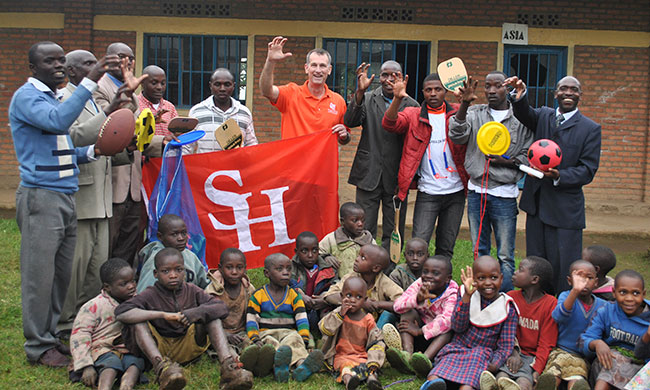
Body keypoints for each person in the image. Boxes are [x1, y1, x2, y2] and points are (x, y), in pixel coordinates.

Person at [9, 41, 119, 366]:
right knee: (39, 276)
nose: (58, 65)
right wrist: (90, 81)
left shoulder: (54, 98)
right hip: (41, 197)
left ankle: (51, 335)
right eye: (50, 61)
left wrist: (91, 152)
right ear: (33, 68)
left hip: (66, 194)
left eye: (60, 60)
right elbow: (58, 123)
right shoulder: (28, 98)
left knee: (60, 275)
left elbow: (64, 145)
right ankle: (37, 347)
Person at [58, 49, 134, 331]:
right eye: (88, 64)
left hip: (101, 198)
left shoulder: (90, 99)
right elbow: (74, 138)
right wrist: (107, 112)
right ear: (73, 71)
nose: (96, 67)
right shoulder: (65, 99)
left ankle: (88, 319)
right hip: (83, 194)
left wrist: (124, 149)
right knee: (75, 268)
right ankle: (65, 323)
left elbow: (109, 138)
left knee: (96, 266)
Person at [504, 75, 601, 293]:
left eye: (574, 90)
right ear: (555, 93)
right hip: (537, 205)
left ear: (580, 96)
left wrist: (559, 175)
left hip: (565, 211)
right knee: (536, 265)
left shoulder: (590, 128)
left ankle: (561, 309)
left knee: (562, 266)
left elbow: (587, 170)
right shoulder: (544, 116)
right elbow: (523, 113)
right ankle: (535, 308)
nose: (568, 93)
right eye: (563, 89)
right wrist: (519, 96)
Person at [115, 248, 253, 390]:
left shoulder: (192, 290)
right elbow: (121, 312)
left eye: (178, 270)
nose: (173, 275)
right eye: (166, 271)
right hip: (161, 348)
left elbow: (221, 308)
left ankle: (228, 368)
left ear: (185, 272)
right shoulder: (150, 294)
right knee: (138, 322)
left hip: (190, 345)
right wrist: (161, 314)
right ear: (156, 274)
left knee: (212, 317)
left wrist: (194, 313)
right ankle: (162, 369)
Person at [449, 72, 533, 292]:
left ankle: (504, 298)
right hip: (477, 192)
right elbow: (456, 135)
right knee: (479, 250)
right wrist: (464, 106)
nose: (492, 91)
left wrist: (506, 162)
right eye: (488, 86)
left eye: (498, 86)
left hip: (504, 194)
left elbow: (527, 155)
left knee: (505, 254)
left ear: (507, 89)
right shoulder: (474, 113)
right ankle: (480, 295)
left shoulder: (520, 119)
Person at [382, 72, 468, 260]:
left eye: (438, 89)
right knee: (418, 246)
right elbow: (389, 124)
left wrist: (466, 104)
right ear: (423, 92)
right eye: (428, 90)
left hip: (455, 193)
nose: (433, 94)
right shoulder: (413, 115)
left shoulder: (456, 112)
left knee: (446, 247)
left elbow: (470, 130)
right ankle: (417, 286)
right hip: (428, 192)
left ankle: (444, 287)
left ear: (445, 91)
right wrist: (397, 98)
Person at [343, 61, 419, 254]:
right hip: (369, 173)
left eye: (395, 75)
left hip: (396, 177)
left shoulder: (412, 105)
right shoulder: (367, 98)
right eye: (385, 75)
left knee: (393, 229)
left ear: (402, 78)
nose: (389, 79)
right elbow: (350, 121)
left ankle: (388, 271)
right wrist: (359, 93)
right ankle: (363, 267)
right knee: (363, 227)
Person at [421, 256, 518, 390]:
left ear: (501, 278)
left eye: (493, 278)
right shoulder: (467, 295)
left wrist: (494, 364)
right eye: (481, 278)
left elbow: (505, 345)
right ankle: (434, 386)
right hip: (457, 348)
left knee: (468, 385)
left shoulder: (507, 308)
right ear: (474, 279)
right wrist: (467, 296)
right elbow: (457, 327)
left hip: (481, 354)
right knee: (435, 376)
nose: (488, 283)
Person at [245, 253, 324, 382]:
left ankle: (302, 366)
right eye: (279, 269)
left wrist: (303, 337)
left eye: (288, 269)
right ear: (267, 273)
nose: (286, 273)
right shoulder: (258, 295)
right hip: (266, 333)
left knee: (294, 342)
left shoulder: (294, 295)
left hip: (288, 332)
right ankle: (280, 368)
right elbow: (251, 319)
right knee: (271, 345)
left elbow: (301, 318)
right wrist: (254, 337)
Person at [483, 256, 557, 390]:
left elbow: (546, 342)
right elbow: (501, 332)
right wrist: (513, 353)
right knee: (501, 378)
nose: (515, 272)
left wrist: (537, 370)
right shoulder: (510, 297)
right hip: (508, 352)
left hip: (531, 358)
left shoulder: (550, 304)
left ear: (535, 279)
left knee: (524, 383)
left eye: (520, 270)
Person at [259, 36, 350, 143]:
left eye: (322, 66)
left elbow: (344, 138)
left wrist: (344, 135)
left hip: (324, 160)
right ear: (306, 68)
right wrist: (270, 61)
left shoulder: (338, 101)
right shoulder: (291, 93)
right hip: (294, 160)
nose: (318, 70)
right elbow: (266, 91)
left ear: (329, 70)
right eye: (314, 65)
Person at [70, 258, 143, 390]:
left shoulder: (137, 301)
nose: (131, 286)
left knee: (134, 364)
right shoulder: (94, 306)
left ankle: (127, 386)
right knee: (110, 364)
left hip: (127, 348)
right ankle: (104, 387)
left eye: (133, 281)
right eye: (124, 284)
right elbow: (80, 335)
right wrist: (86, 366)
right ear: (107, 287)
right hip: (102, 349)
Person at [536, 260, 606, 390]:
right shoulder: (566, 296)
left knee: (577, 377)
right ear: (569, 280)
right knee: (553, 373)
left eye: (589, 278)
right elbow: (558, 316)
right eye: (579, 277)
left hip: (582, 356)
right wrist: (575, 291)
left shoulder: (603, 306)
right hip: (560, 350)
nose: (584, 282)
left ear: (596, 283)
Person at [389, 256, 459, 378]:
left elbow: (447, 321)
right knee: (407, 311)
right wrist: (417, 299)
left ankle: (424, 360)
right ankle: (407, 355)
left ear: (448, 279)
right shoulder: (421, 284)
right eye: (425, 271)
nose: (428, 276)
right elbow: (397, 306)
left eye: (435, 273)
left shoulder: (452, 293)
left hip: (436, 340)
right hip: (418, 330)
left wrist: (420, 331)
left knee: (447, 332)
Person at [581, 270, 650, 390]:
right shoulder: (606, 311)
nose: (629, 298)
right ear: (613, 292)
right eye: (623, 292)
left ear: (643, 294)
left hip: (639, 371)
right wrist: (597, 343)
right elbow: (585, 340)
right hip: (607, 363)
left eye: (636, 293)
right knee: (613, 363)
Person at [319, 276, 385, 390]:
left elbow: (377, 340)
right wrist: (339, 315)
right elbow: (325, 328)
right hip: (342, 355)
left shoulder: (368, 319)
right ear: (341, 296)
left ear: (365, 300)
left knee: (368, 367)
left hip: (361, 356)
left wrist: (374, 360)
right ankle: (349, 381)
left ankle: (372, 380)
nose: (353, 300)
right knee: (345, 368)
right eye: (349, 295)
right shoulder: (338, 314)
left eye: (358, 297)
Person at [323, 244, 403, 330]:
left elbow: (403, 303)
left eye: (363, 258)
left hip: (374, 325)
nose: (356, 259)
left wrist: (378, 304)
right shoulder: (351, 278)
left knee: (388, 315)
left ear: (375, 268)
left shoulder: (385, 283)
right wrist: (362, 303)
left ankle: (378, 337)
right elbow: (330, 295)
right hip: (350, 320)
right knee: (336, 309)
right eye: (358, 255)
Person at [184, 68, 257, 154]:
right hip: (207, 167)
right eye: (217, 84)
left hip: (235, 167)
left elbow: (252, 145)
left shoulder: (244, 113)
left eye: (227, 84)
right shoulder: (197, 112)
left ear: (233, 86)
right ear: (210, 86)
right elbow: (187, 147)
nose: (222, 89)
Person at [137, 214, 209, 292]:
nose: (181, 238)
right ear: (160, 236)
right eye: (174, 234)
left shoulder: (190, 256)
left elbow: (205, 284)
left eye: (184, 233)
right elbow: (143, 293)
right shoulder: (155, 260)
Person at [205, 248, 256, 357]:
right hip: (219, 334)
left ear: (245, 269)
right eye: (229, 267)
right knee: (228, 351)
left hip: (242, 332)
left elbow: (254, 312)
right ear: (220, 268)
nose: (234, 272)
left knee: (251, 345)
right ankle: (237, 363)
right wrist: (226, 334)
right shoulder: (212, 292)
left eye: (239, 268)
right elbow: (206, 320)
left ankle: (253, 360)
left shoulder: (248, 289)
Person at [290, 231, 337, 335]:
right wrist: (300, 296)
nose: (310, 255)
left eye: (314, 251)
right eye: (304, 251)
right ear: (296, 251)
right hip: (297, 309)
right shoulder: (290, 268)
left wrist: (324, 299)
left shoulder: (328, 269)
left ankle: (326, 336)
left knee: (331, 313)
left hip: (320, 309)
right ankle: (300, 336)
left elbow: (336, 288)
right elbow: (283, 288)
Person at [320, 202, 375, 278]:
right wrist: (325, 257)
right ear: (342, 221)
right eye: (355, 220)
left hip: (362, 284)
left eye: (363, 220)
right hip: (337, 283)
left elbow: (377, 260)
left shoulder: (369, 241)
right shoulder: (332, 239)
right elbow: (317, 254)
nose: (360, 224)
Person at [137, 65, 178, 137]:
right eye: (154, 83)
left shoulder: (170, 107)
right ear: (142, 83)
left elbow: (176, 133)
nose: (159, 87)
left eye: (163, 83)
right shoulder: (134, 104)